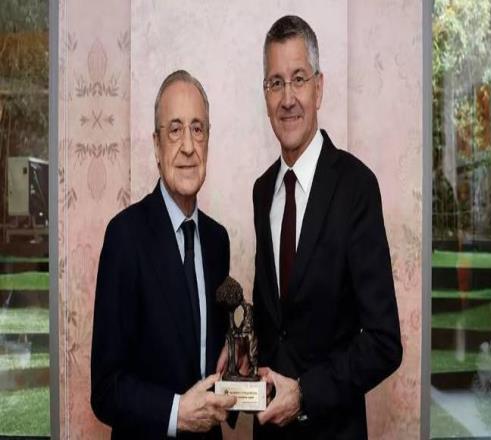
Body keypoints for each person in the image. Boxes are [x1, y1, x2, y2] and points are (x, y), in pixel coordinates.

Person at [252, 16, 403, 439]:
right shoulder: (262, 191)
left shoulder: (357, 187)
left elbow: (384, 341)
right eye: (276, 83)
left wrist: (304, 394)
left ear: (318, 88)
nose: (287, 98)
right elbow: (276, 322)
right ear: (265, 94)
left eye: (298, 79)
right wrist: (247, 355)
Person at [91, 70, 236, 439]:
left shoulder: (218, 241)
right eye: (174, 130)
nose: (188, 146)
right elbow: (105, 390)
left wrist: (234, 360)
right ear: (156, 146)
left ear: (208, 141)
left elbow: (206, 354)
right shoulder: (124, 237)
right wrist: (177, 413)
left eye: (197, 129)